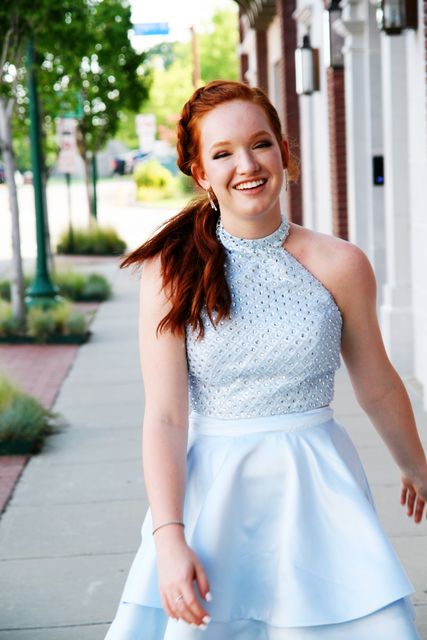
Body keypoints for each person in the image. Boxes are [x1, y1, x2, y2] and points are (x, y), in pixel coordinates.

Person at [105, 80, 426, 640]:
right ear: (201, 173)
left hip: (319, 489)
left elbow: (376, 382)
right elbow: (166, 417)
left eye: (260, 144)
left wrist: (417, 467)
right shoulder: (169, 272)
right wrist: (169, 536)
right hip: (215, 499)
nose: (247, 165)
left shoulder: (342, 264)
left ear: (283, 151)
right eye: (223, 153)